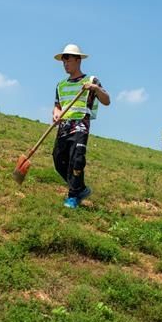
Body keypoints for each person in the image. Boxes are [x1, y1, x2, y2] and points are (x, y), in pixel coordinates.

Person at [52, 44, 110, 209]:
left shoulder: (91, 80)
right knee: (58, 160)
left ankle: (72, 196)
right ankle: (80, 188)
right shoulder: (60, 85)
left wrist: (95, 89)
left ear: (78, 60)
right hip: (63, 126)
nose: (65, 63)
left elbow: (107, 100)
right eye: (63, 60)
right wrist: (56, 114)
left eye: (68, 59)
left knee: (76, 160)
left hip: (80, 125)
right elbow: (57, 105)